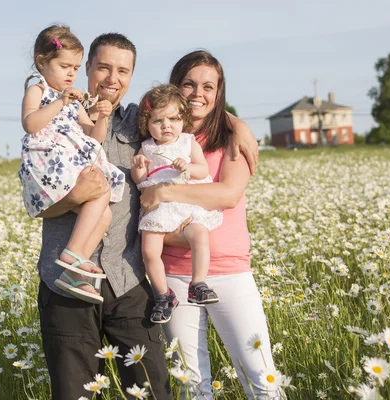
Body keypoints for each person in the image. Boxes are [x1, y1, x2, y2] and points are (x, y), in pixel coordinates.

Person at [35, 32, 260, 399]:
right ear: (86, 68)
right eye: (103, 67)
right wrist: (81, 195)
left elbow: (185, 112)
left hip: (130, 285)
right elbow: (38, 203)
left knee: (155, 392)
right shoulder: (55, 123)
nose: (112, 78)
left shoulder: (139, 126)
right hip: (67, 285)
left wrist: (237, 123)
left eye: (123, 71)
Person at [140, 50, 283, 399]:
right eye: (188, 84)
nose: (197, 94)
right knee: (192, 386)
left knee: (262, 378)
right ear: (175, 87)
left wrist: (164, 191)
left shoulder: (231, 137)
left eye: (209, 86)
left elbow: (227, 195)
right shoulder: (156, 135)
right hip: (173, 275)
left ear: (219, 93)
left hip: (230, 271)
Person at [18, 24, 125, 304]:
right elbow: (31, 124)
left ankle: (73, 271)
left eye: (75, 68)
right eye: (65, 65)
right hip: (49, 164)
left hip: (69, 164)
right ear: (43, 62)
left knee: (105, 216)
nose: (71, 73)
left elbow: (94, 137)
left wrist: (101, 116)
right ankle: (73, 252)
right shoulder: (38, 90)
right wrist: (60, 102)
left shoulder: (75, 100)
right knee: (101, 191)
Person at [131, 84, 223, 324]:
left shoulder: (188, 142)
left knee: (200, 234)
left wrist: (188, 167)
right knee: (149, 251)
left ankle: (198, 283)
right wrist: (139, 168)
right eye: (158, 121)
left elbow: (203, 169)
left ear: (183, 118)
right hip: (159, 210)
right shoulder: (147, 147)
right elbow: (142, 182)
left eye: (173, 119)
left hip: (186, 205)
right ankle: (164, 295)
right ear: (147, 124)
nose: (166, 126)